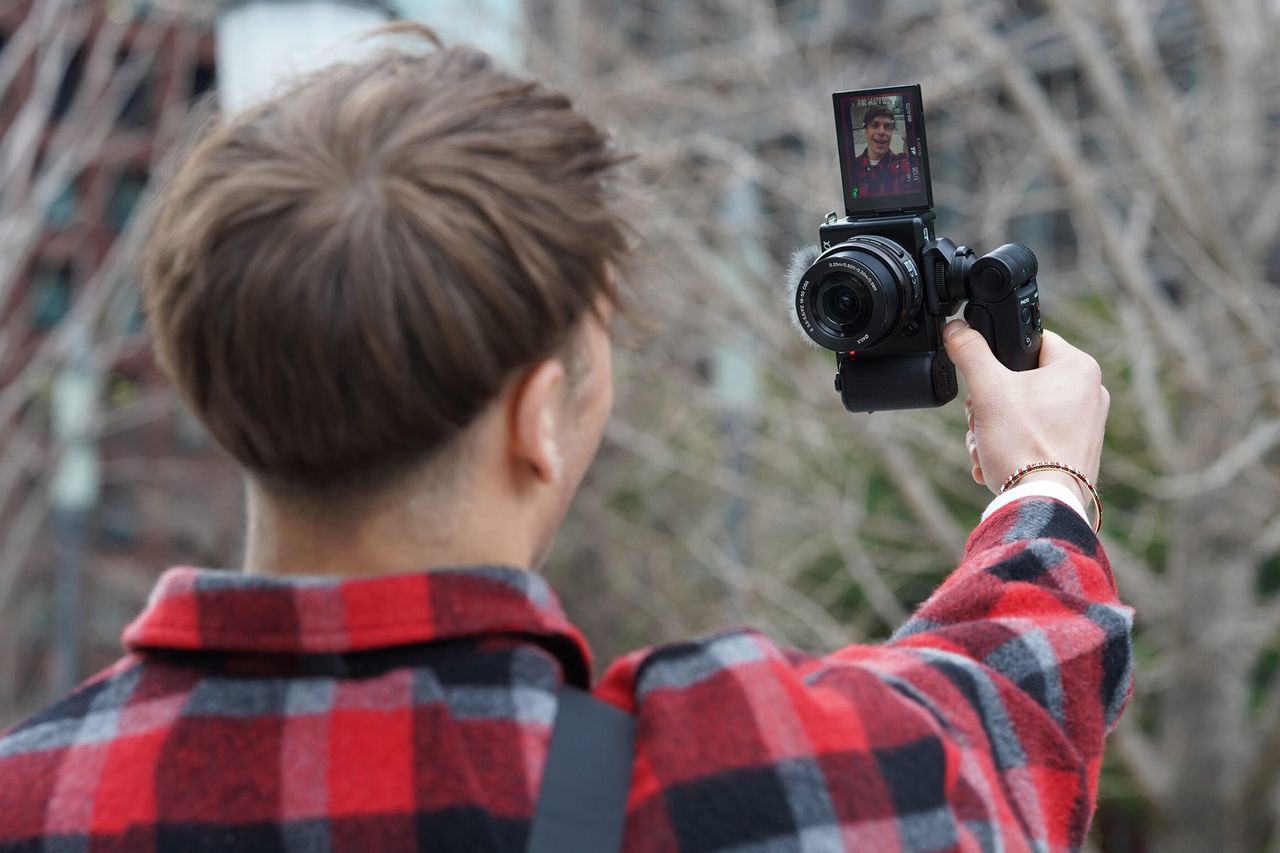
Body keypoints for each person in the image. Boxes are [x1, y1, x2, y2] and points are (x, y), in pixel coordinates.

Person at [0, 26, 1129, 853]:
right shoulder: (721, 783)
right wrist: (1044, 481)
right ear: (538, 416)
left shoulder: (34, 793)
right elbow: (1002, 723)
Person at [851, 103, 920, 198]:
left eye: (887, 127)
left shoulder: (905, 164)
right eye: (875, 126)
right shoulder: (852, 167)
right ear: (865, 131)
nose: (882, 132)